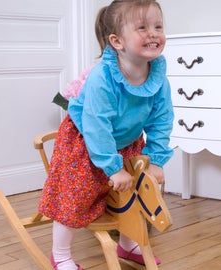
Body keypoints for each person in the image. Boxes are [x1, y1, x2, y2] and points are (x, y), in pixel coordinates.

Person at [38, 0, 174, 269]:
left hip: (127, 140)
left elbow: (162, 119)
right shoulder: (103, 76)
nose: (154, 33)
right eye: (142, 28)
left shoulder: (158, 77)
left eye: (158, 26)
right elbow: (96, 125)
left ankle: (127, 243)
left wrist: (156, 159)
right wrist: (112, 168)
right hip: (86, 138)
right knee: (75, 194)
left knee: (132, 193)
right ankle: (61, 254)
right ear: (117, 41)